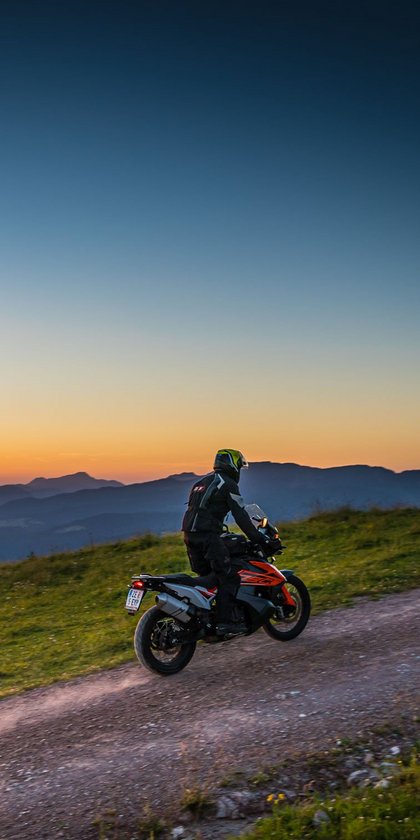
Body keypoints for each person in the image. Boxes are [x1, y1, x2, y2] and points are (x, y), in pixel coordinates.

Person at [182, 449, 279, 635]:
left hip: (189, 537)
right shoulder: (228, 484)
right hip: (208, 537)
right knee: (229, 576)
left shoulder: (200, 483)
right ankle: (226, 623)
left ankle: (205, 617)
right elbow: (241, 516)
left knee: (210, 579)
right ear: (233, 465)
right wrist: (260, 539)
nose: (240, 472)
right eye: (239, 468)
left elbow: (202, 511)